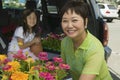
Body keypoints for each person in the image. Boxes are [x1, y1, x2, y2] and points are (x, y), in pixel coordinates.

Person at [60, 0, 113, 80]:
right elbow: (61, 69)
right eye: (65, 21)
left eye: (74, 20)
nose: (69, 25)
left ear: (85, 22)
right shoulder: (65, 42)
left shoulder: (94, 48)